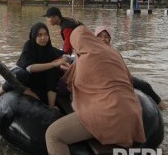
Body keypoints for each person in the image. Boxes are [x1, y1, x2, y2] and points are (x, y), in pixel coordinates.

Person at [45, 26, 145, 154]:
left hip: (109, 115)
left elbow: (65, 87)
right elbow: (129, 81)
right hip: (133, 114)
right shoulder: (115, 53)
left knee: (53, 135)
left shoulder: (83, 59)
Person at [0, 23, 72, 110]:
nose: (43, 38)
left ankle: (51, 106)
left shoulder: (49, 49)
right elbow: (30, 68)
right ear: (34, 36)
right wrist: (54, 63)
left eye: (46, 34)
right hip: (25, 78)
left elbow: (67, 55)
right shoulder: (29, 46)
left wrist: (63, 59)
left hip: (39, 82)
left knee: (53, 72)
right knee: (21, 74)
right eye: (39, 35)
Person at [94, 26, 166, 110]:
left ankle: (162, 106)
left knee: (145, 85)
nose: (103, 39)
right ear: (95, 38)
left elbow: (123, 68)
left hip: (119, 77)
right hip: (106, 81)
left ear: (109, 39)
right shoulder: (92, 51)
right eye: (100, 36)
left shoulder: (114, 52)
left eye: (106, 37)